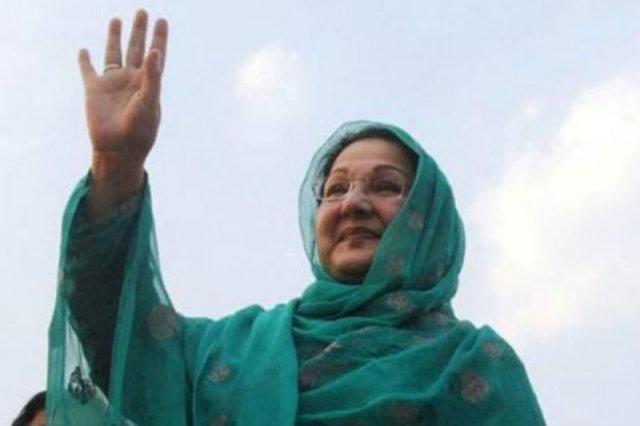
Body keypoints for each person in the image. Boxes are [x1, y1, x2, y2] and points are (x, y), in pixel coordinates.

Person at [46, 9, 545, 425]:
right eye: (336, 189)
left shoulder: (477, 366)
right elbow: (120, 334)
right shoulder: (228, 353)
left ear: (428, 222)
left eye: (386, 186)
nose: (353, 203)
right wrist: (116, 165)